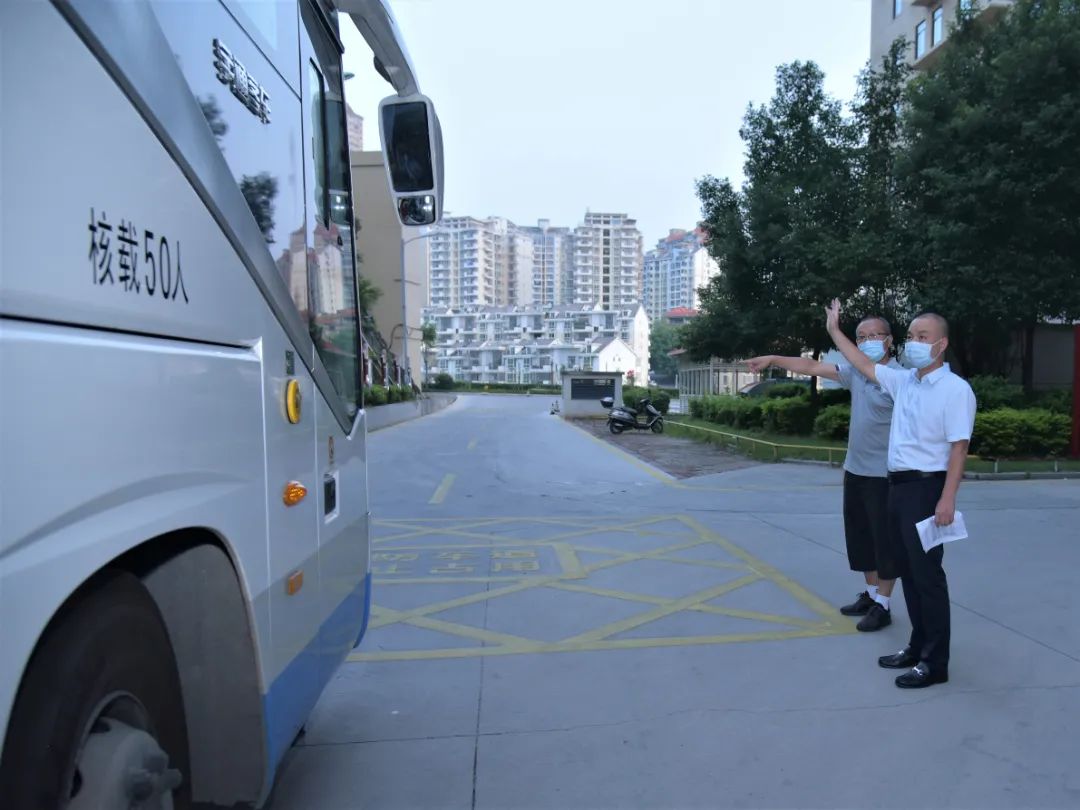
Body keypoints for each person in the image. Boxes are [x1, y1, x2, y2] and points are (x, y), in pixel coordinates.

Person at [825, 299, 976, 689]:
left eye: (923, 337)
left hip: (927, 489)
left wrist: (947, 498)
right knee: (908, 574)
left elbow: (959, 448)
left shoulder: (955, 390)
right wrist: (835, 331)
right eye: (911, 336)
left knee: (927, 578)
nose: (914, 343)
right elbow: (861, 363)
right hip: (896, 486)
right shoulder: (903, 381)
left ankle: (935, 663)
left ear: (941, 344)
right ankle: (917, 647)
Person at [745, 316, 901, 632]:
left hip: (885, 475)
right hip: (855, 470)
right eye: (861, 337)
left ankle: (883, 605)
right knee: (861, 538)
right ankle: (871, 595)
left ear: (890, 340)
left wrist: (834, 330)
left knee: (885, 542)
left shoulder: (899, 377)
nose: (868, 341)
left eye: (875, 334)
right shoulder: (856, 374)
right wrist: (773, 358)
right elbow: (813, 366)